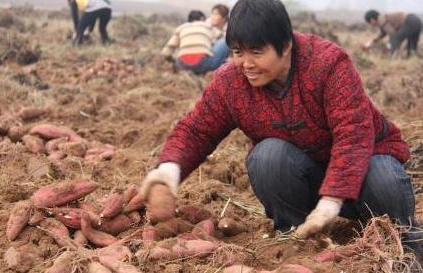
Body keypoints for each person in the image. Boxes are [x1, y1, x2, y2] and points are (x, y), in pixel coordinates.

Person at [141, 0, 422, 262]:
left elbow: (354, 134)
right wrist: (169, 169)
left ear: (285, 45)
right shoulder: (231, 82)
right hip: (306, 175)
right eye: (237, 52)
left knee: (382, 177)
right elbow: (197, 130)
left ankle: (405, 244)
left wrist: (332, 199)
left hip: (364, 166)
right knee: (267, 157)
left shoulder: (327, 64)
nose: (246, 64)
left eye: (256, 52)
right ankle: (297, 236)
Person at [161, 10, 229, 75]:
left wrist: (173, 61)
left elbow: (165, 53)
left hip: (182, 65)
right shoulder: (206, 26)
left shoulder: (181, 28)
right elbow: (221, 36)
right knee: (225, 40)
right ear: (202, 19)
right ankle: (225, 68)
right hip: (202, 64)